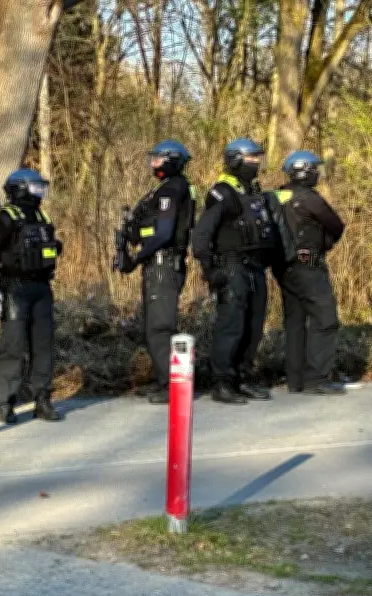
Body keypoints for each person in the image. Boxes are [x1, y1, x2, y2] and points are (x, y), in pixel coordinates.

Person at [192, 138, 278, 405]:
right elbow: (201, 235)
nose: (257, 163)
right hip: (232, 266)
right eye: (252, 158)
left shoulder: (253, 192)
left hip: (255, 267)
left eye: (257, 158)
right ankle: (223, 382)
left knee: (254, 325)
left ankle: (243, 377)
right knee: (231, 325)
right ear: (236, 160)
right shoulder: (222, 193)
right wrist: (209, 269)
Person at [0, 168, 63, 424]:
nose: (40, 192)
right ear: (20, 189)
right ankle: (5, 402)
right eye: (36, 187)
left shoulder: (41, 215)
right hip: (14, 288)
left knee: (43, 346)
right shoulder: (5, 217)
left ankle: (42, 399)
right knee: (12, 347)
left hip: (41, 288)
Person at [117, 140, 196, 405]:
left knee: (160, 327)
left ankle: (172, 386)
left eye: (158, 159)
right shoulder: (166, 188)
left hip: (163, 264)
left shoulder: (171, 189)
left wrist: (136, 258)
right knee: (153, 326)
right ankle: (164, 379)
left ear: (171, 161)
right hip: (159, 264)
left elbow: (163, 234)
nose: (153, 163)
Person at [275, 150, 346, 395]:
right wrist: (325, 243)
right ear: (303, 170)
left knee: (295, 321)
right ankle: (316, 378)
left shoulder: (277, 196)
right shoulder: (310, 199)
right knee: (325, 319)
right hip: (309, 267)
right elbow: (336, 225)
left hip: (284, 268)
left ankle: (295, 380)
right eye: (314, 169)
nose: (317, 173)